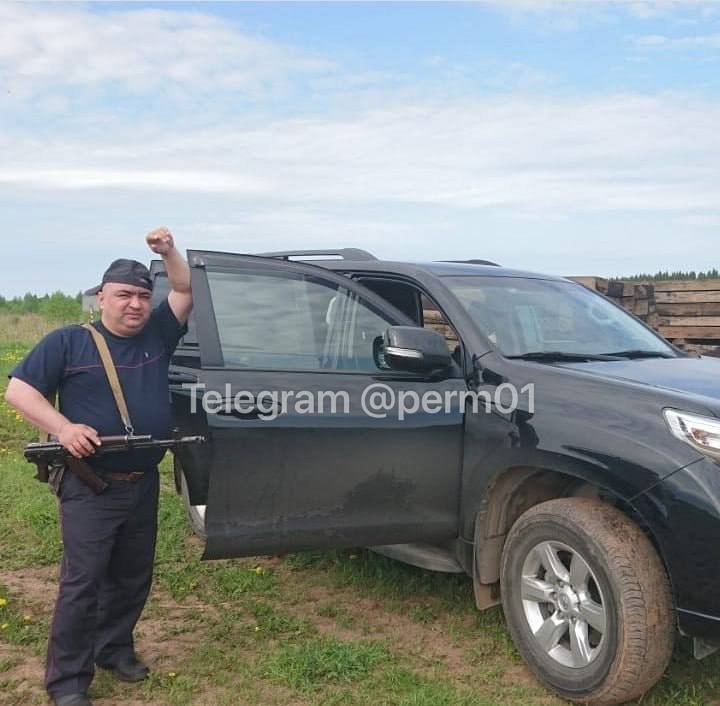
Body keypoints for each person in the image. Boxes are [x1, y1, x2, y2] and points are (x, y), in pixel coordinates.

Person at [5, 227, 193, 706]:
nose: (134, 304)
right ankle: (68, 682)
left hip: (141, 480)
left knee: (133, 575)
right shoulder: (68, 342)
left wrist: (169, 252)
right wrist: (64, 428)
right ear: (101, 297)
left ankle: (114, 649)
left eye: (142, 296)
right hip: (91, 484)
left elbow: (187, 289)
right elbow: (19, 391)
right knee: (82, 582)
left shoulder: (157, 333)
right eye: (123, 294)